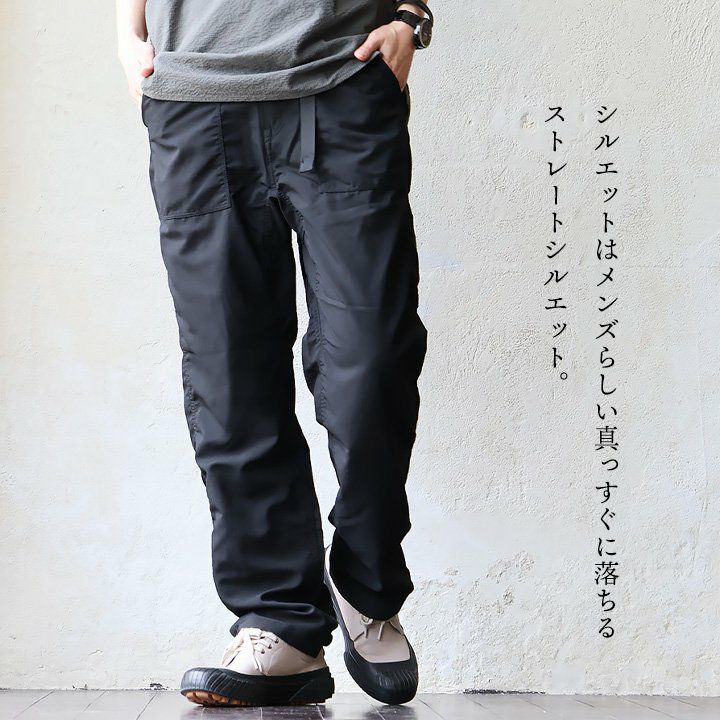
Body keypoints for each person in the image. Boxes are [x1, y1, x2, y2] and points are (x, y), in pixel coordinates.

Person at [117, 0, 433, 708]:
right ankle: (279, 620)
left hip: (341, 81)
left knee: (373, 358)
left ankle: (368, 583)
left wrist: (411, 18)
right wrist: (126, 33)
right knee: (229, 373)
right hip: (193, 98)